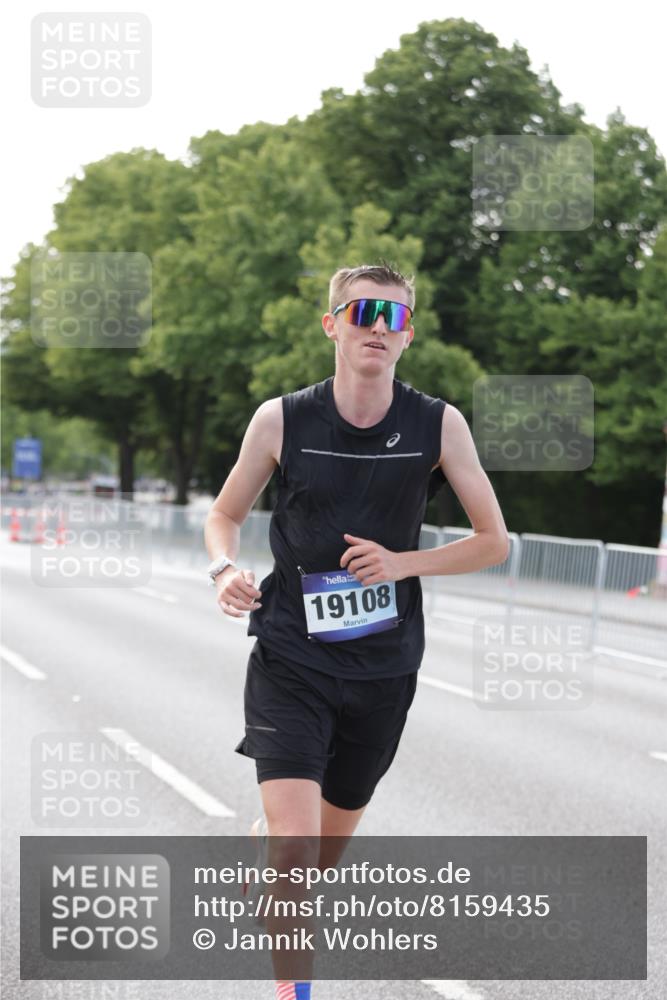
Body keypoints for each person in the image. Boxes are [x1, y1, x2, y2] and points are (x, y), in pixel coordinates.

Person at [204, 262, 509, 998]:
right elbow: (223, 517)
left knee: (317, 859)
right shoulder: (281, 419)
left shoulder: (438, 424)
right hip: (289, 657)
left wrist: (401, 562)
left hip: (383, 669)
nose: (379, 326)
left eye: (395, 317)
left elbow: (493, 541)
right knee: (296, 857)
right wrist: (223, 571)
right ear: (332, 324)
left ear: (407, 335)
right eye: (364, 312)